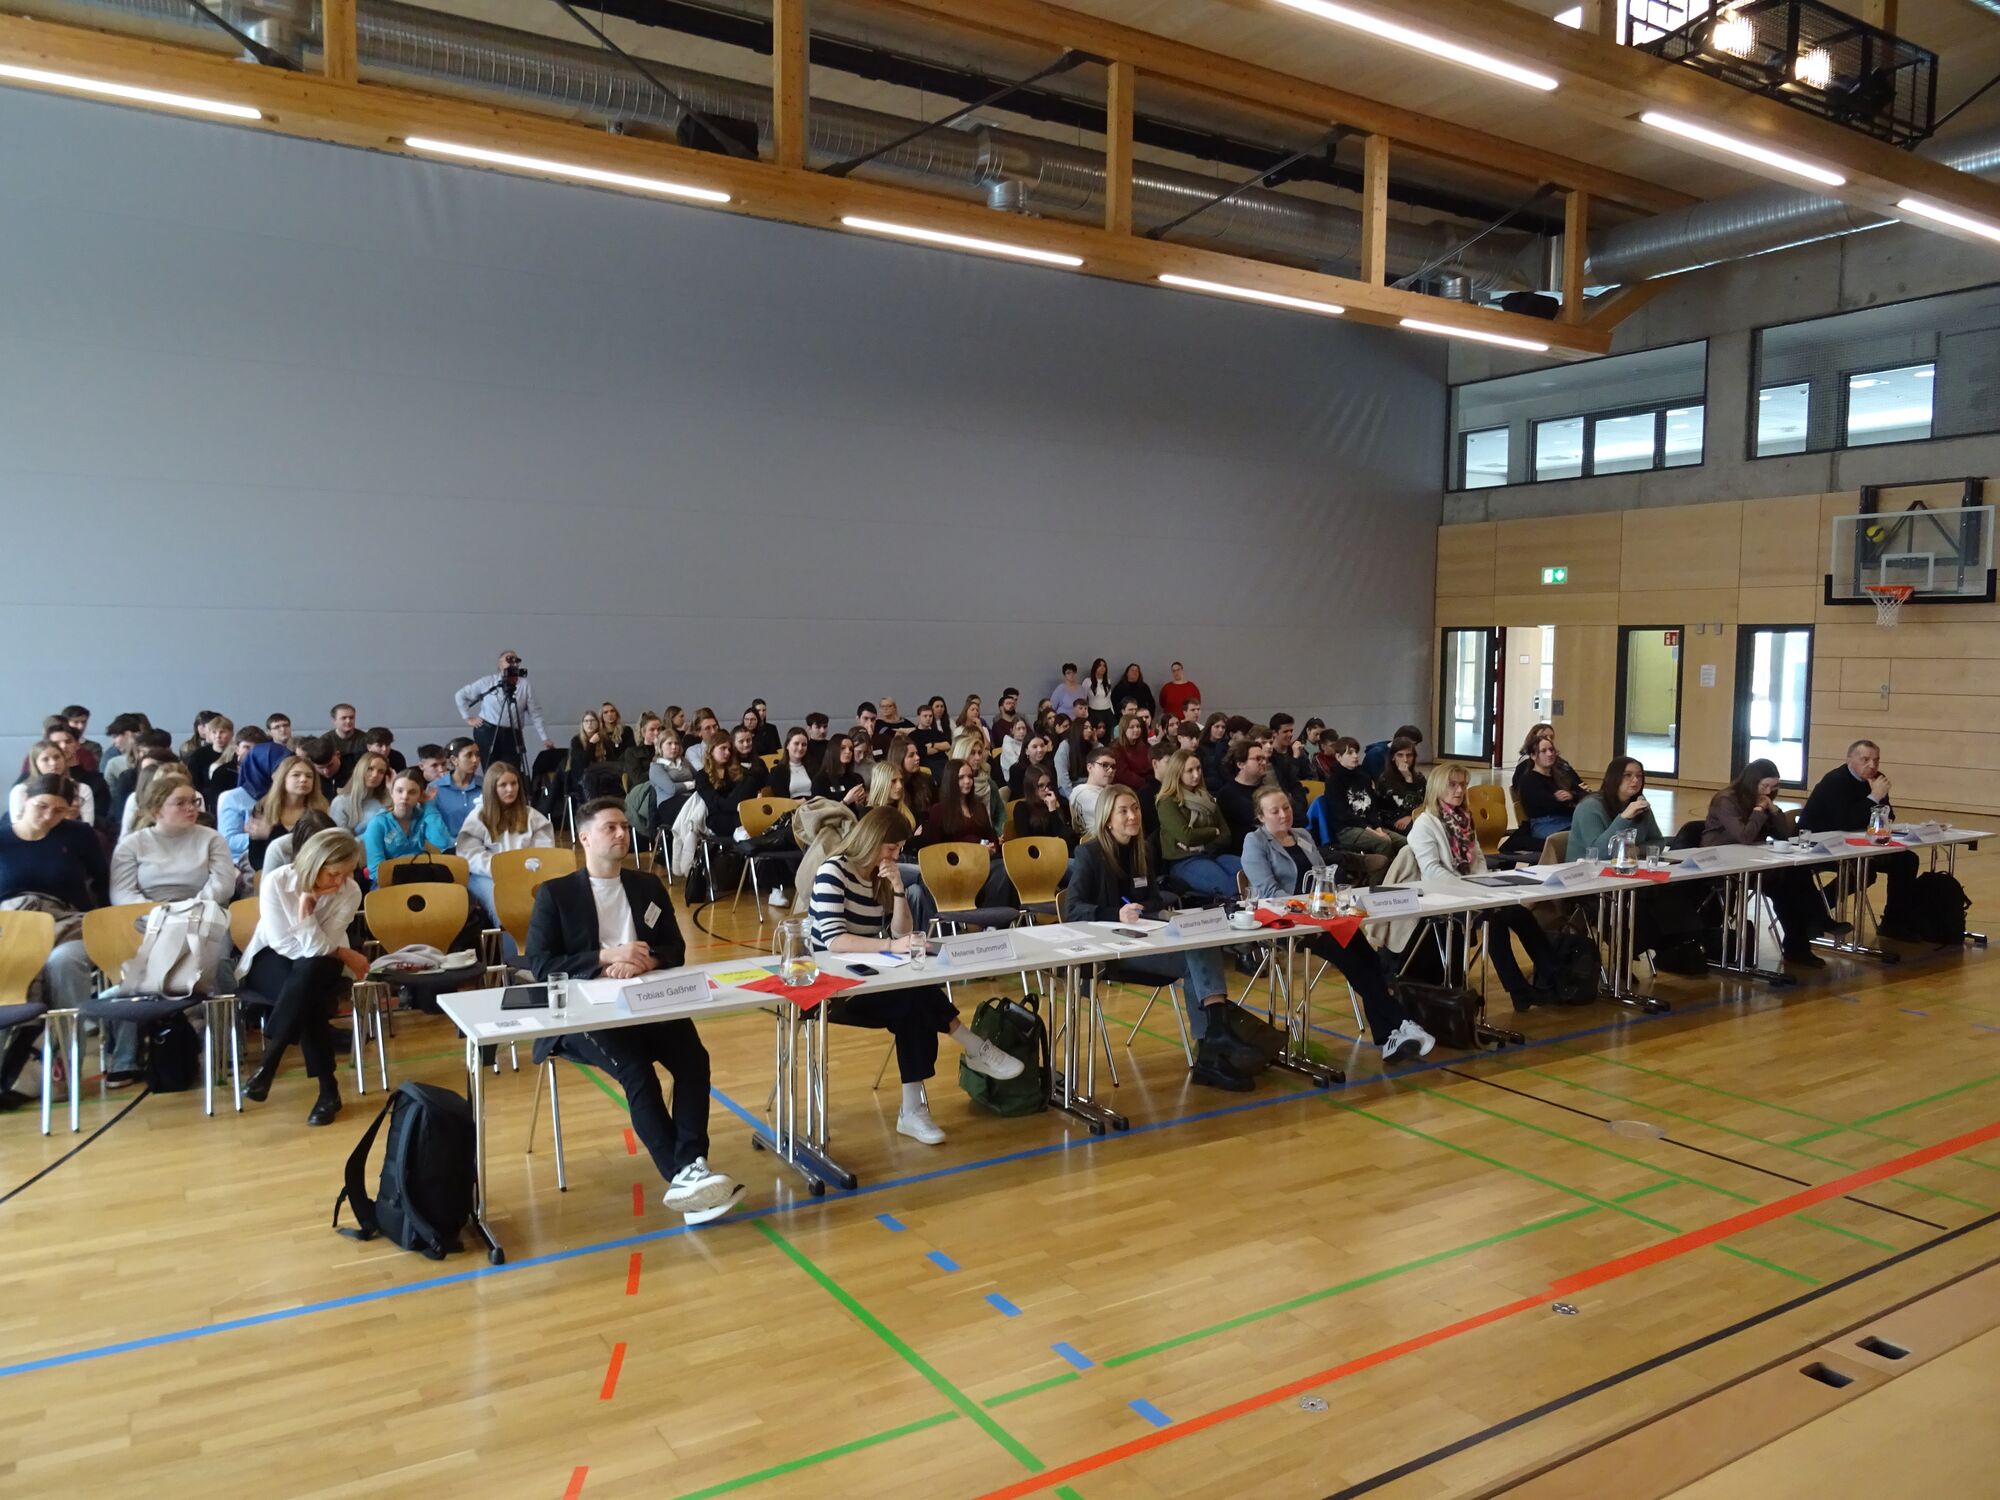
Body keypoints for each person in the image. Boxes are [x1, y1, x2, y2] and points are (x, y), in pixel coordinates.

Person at [526, 798, 742, 1221]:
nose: (622, 833)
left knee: (694, 1060)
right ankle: (683, 1176)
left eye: (625, 826)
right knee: (637, 1070)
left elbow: (674, 948)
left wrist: (647, 961)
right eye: (610, 827)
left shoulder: (647, 886)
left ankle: (692, 1165)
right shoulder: (557, 894)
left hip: (646, 998)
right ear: (584, 838)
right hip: (586, 1011)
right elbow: (540, 964)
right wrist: (606, 957)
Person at [807, 808, 1024, 1144]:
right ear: (872, 840)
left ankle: (916, 1108)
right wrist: (890, 945)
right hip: (831, 988)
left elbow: (901, 931)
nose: (895, 856)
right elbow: (835, 941)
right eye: (891, 848)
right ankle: (970, 1052)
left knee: (912, 999)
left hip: (870, 978)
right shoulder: (832, 871)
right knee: (913, 999)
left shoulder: (877, 876)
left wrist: (897, 888)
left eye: (898, 849)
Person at [1064, 786, 1258, 1090]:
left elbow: (1154, 898)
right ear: (1107, 819)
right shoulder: (1089, 854)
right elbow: (1073, 909)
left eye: (1135, 808)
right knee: (1195, 957)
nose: (1133, 816)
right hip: (1112, 949)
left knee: (1200, 946)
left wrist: (1147, 909)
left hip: (1147, 937)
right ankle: (1213, 1043)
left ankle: (1212, 1045)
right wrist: (1116, 913)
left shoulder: (1143, 850)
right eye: (1123, 811)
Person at [1240, 785, 1434, 1061]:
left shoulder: (1302, 835)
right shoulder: (1255, 842)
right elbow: (1270, 893)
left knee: (1369, 959)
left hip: (1322, 916)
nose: (1284, 814)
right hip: (1286, 923)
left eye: (1286, 807)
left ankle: (1389, 1036)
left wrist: (1328, 901)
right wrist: (1309, 907)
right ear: (1261, 817)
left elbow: (1322, 876)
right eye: (1275, 811)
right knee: (1352, 962)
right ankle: (1402, 1021)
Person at [104, 775, 237, 1080]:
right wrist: (162, 915)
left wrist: (188, 910)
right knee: (131, 970)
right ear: (156, 810)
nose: (191, 808)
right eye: (180, 803)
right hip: (147, 922)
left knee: (220, 962)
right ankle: (125, 1058)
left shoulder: (211, 838)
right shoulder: (132, 844)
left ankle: (225, 1047)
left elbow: (222, 884)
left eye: (194, 801)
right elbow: (122, 894)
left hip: (203, 916)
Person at [239, 828, 368, 1126]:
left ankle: (270, 1062)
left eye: (346, 874)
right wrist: (344, 952)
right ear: (314, 863)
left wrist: (305, 912)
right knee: (308, 994)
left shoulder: (351, 891)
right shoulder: (277, 882)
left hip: (322, 962)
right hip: (272, 958)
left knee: (308, 976)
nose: (339, 882)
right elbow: (283, 944)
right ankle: (328, 1091)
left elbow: (319, 949)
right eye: (333, 874)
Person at [1409, 763, 1564, 1010]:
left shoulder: (1464, 819)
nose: (1459, 790)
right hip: (1442, 895)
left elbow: (1478, 859)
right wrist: (1471, 889)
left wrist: (1485, 886)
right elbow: (1432, 871)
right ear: (1437, 787)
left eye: (1462, 785)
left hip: (1473, 890)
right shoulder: (1425, 824)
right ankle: (1518, 991)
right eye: (1453, 785)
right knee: (1494, 922)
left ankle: (1554, 977)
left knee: (1520, 913)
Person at [0, 775, 107, 1108]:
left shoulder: (78, 835)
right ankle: (13, 1067)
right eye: (42, 807)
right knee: (15, 965)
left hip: (68, 923)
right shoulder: (2, 838)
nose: (49, 816)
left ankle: (66, 1067)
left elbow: (101, 884)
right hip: (14, 925)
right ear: (25, 801)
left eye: (59, 811)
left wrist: (103, 926)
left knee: (63, 962)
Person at [1572, 757, 1708, 974]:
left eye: (1639, 776)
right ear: (1614, 778)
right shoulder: (1590, 807)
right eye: (1628, 775)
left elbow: (1658, 841)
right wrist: (1623, 818)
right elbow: (1598, 851)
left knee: (1670, 894)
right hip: (1589, 880)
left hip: (1628, 874)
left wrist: (1637, 849)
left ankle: (1676, 949)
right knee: (1639, 905)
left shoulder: (1641, 805)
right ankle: (1626, 955)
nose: (1635, 781)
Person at [1703, 759, 1839, 969]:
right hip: (1722, 862)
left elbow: (1784, 834)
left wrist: (1773, 810)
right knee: (1787, 882)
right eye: (1765, 786)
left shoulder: (1764, 800)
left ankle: (1801, 941)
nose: (1768, 791)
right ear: (1752, 781)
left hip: (1752, 861)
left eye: (1773, 787)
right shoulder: (1726, 800)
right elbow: (1745, 836)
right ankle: (1817, 919)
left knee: (1794, 877)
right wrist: (1759, 810)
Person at [1800, 738, 1923, 940]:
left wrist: (1878, 801)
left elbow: (1887, 816)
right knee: (1862, 871)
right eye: (1865, 760)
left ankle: (1893, 922)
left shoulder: (1876, 779)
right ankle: (1812, 913)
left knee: (1906, 860)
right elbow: (1845, 822)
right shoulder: (1835, 781)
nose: (1872, 765)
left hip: (1857, 843)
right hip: (1820, 845)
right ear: (1850, 759)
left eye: (1876, 760)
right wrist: (1874, 797)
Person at [457, 762, 556, 930]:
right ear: (492, 788)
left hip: (526, 873)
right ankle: (511, 945)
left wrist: (526, 868)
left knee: (548, 902)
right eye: (503, 785)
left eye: (514, 783)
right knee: (505, 906)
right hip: (487, 876)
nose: (510, 789)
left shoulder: (531, 816)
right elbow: (470, 855)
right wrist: (503, 869)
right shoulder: (478, 817)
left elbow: (543, 851)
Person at [1307, 735, 1406, 879]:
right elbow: (1343, 815)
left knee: (1405, 843)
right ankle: (1379, 884)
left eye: (1356, 752)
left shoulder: (1363, 777)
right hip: (1347, 829)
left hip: (1368, 826)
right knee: (1384, 843)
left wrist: (1378, 828)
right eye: (1350, 753)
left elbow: (1373, 807)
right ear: (1339, 757)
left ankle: (1399, 878)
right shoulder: (1333, 781)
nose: (1355, 756)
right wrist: (1373, 831)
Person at [1154, 749, 1241, 899]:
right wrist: (1214, 831)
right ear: (1177, 773)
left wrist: (1203, 846)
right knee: (1230, 887)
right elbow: (1186, 836)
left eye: (1198, 768)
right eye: (1190, 771)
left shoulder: (1206, 797)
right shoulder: (1167, 801)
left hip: (1212, 853)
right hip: (1184, 860)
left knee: (1251, 872)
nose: (1196, 774)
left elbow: (1226, 836)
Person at [455, 651, 553, 770]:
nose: (514, 663)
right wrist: (467, 718)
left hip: (512, 734)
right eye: (509, 660)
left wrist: (544, 738)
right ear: (500, 663)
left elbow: (535, 713)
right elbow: (460, 695)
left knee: (512, 769)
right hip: (488, 731)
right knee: (491, 769)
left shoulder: (524, 685)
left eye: (516, 661)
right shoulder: (488, 682)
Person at [362, 769, 454, 880]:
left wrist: (428, 804)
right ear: (392, 793)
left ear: (420, 796)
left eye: (412, 792)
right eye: (399, 791)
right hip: (389, 882)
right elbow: (375, 871)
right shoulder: (378, 823)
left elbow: (443, 841)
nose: (405, 796)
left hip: (419, 876)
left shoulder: (422, 816)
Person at [247, 755, 330, 871]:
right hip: (271, 871)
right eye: (296, 775)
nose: (303, 779)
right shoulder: (264, 808)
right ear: (283, 778)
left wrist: (272, 834)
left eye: (309, 776)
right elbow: (255, 858)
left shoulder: (320, 810)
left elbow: (322, 851)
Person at [1512, 733, 1588, 846]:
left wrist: (1572, 795)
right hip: (1545, 825)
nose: (1550, 754)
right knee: (1586, 831)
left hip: (1567, 819)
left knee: (1593, 825)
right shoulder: (1528, 780)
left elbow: (1584, 794)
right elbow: (1546, 804)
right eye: (1544, 751)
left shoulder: (1560, 776)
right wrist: (1559, 799)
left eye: (1551, 750)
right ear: (1533, 755)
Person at [10, 741, 95, 828]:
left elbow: (88, 826)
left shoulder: (82, 789)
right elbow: (17, 827)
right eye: (45, 759)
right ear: (35, 764)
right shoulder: (21, 790)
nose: (53, 763)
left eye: (57, 757)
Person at [1215, 734, 1271, 857]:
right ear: (1240, 764)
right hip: (1244, 853)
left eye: (1264, 758)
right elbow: (1261, 818)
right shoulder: (1228, 794)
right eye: (1258, 759)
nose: (1263, 762)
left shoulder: (1267, 789)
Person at [429, 738, 483, 838]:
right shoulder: (435, 788)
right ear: (454, 760)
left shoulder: (486, 786)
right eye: (469, 755)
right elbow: (431, 824)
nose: (475, 760)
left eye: (477, 755)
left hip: (481, 844)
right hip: (447, 845)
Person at [1008, 766, 1075, 847]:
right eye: (1041, 786)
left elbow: (1063, 837)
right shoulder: (1022, 808)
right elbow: (1026, 841)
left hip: (1058, 849)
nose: (1047, 790)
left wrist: (1053, 810)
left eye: (1048, 785)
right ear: (1031, 787)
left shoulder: (1052, 803)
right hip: (1038, 851)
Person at [330, 752, 393, 834]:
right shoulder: (340, 802)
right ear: (360, 769)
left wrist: (392, 789)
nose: (375, 775)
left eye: (381, 772)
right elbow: (339, 838)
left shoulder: (387, 801)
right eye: (370, 768)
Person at [1376, 736, 1427, 834]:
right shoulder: (1385, 780)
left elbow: (1426, 802)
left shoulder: (1419, 778)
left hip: (1417, 816)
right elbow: (1383, 810)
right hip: (1394, 820)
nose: (1405, 760)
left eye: (1409, 755)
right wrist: (1408, 780)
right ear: (1393, 757)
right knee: (1419, 830)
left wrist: (1412, 816)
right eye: (1400, 755)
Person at [649, 730, 699, 830]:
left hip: (690, 799)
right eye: (669, 743)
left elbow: (699, 778)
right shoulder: (656, 767)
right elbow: (671, 789)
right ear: (660, 747)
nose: (674, 747)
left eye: (676, 743)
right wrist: (692, 784)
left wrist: (695, 783)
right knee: (697, 809)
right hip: (668, 804)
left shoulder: (684, 761)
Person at [569, 711, 619, 803]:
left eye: (592, 720)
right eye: (586, 721)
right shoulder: (576, 741)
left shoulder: (604, 739)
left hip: (604, 777)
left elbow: (612, 761)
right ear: (582, 724)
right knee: (590, 774)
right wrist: (591, 743)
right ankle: (594, 806)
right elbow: (584, 763)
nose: (589, 724)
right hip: (583, 778)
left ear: (597, 723)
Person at [1068, 748, 1118, 837]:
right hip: (1099, 841)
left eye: (1113, 767)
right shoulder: (1084, 794)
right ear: (1090, 767)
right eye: (1105, 765)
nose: (1110, 770)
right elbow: (1116, 817)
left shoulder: (1110, 789)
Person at [811, 732, 869, 809]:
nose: (848, 752)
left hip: (853, 816)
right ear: (833, 750)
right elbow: (820, 812)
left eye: (851, 749)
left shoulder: (856, 778)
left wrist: (860, 803)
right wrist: (846, 801)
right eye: (843, 748)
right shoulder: (820, 781)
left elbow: (860, 809)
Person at [762, 728, 817, 799]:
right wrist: (802, 801)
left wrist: (807, 800)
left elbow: (820, 792)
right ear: (787, 745)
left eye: (804, 745)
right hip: (791, 805)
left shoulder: (815, 767)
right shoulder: (777, 771)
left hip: (815, 804)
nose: (800, 748)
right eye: (796, 744)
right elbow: (781, 799)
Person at [1053, 715, 1101, 796]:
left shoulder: (1090, 745)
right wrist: (1072, 797)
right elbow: (1063, 777)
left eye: (1090, 728)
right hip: (1071, 786)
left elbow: (1102, 757)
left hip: (1089, 785)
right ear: (1078, 729)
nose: (1089, 730)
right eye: (1085, 728)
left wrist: (1095, 743)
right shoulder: (1065, 746)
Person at [1109, 712, 1153, 790]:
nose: (1136, 729)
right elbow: (1124, 775)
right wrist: (1145, 784)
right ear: (1124, 729)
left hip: (1147, 783)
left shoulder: (1145, 746)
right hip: (1127, 788)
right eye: (1132, 727)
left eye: (1138, 726)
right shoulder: (1116, 748)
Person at [1008, 731, 1054, 798]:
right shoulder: (1016, 770)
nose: (1040, 750)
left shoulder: (1050, 765)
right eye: (1035, 747)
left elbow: (1053, 788)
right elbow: (1019, 795)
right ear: (1026, 751)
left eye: (1042, 746)